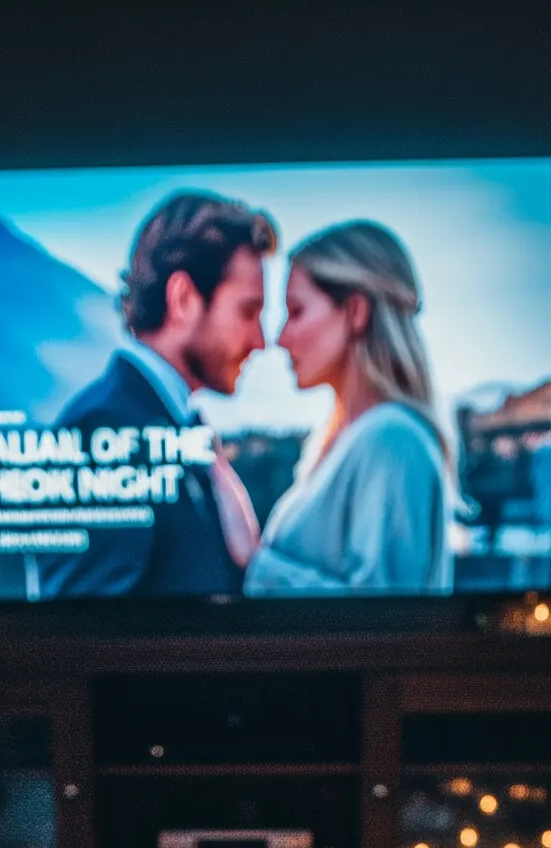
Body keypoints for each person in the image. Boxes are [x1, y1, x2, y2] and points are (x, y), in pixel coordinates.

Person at [35, 192, 275, 598]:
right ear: (183, 299)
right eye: (247, 311)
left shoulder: (172, 424)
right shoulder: (101, 434)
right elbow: (81, 642)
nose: (260, 340)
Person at [242, 221, 452, 599]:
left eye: (297, 310)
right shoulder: (347, 441)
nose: (280, 337)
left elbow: (385, 624)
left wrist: (254, 566)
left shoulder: (392, 440)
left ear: (356, 311)